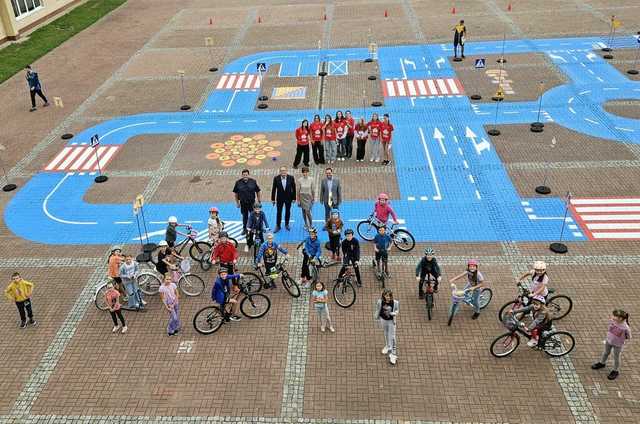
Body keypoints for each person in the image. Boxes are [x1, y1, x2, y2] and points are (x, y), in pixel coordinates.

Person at [592, 309, 631, 380]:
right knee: (606, 352)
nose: (613, 317)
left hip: (618, 344)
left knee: (616, 357)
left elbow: (628, 337)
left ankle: (615, 371)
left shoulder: (625, 328)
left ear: (620, 318)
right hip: (609, 341)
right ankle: (602, 363)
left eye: (615, 316)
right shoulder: (613, 321)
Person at [373, 289, 399, 365]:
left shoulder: (395, 302)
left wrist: (394, 313)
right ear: (384, 295)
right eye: (386, 295)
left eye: (389, 295)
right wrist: (376, 316)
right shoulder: (380, 301)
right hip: (383, 320)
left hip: (391, 321)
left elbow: (397, 310)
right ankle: (387, 346)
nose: (388, 297)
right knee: (385, 333)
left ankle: (393, 354)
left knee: (393, 337)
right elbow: (378, 309)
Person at [233, 169, 262, 233]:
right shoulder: (238, 183)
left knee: (253, 215)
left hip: (252, 203)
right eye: (244, 175)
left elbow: (258, 191)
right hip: (243, 203)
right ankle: (245, 229)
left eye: (246, 175)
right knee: (244, 216)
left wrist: (259, 200)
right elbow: (236, 193)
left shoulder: (253, 181)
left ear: (248, 175)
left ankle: (254, 228)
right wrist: (237, 203)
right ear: (242, 175)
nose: (245, 176)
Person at [271, 166, 296, 232]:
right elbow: (274, 189)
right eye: (282, 171)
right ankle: (278, 225)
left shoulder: (291, 178)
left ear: (286, 171)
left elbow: (294, 188)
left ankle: (287, 224)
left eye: (284, 170)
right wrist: (273, 199)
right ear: (280, 172)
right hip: (280, 198)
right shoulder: (276, 178)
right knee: (279, 212)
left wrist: (294, 198)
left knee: (288, 211)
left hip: (289, 198)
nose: (283, 172)